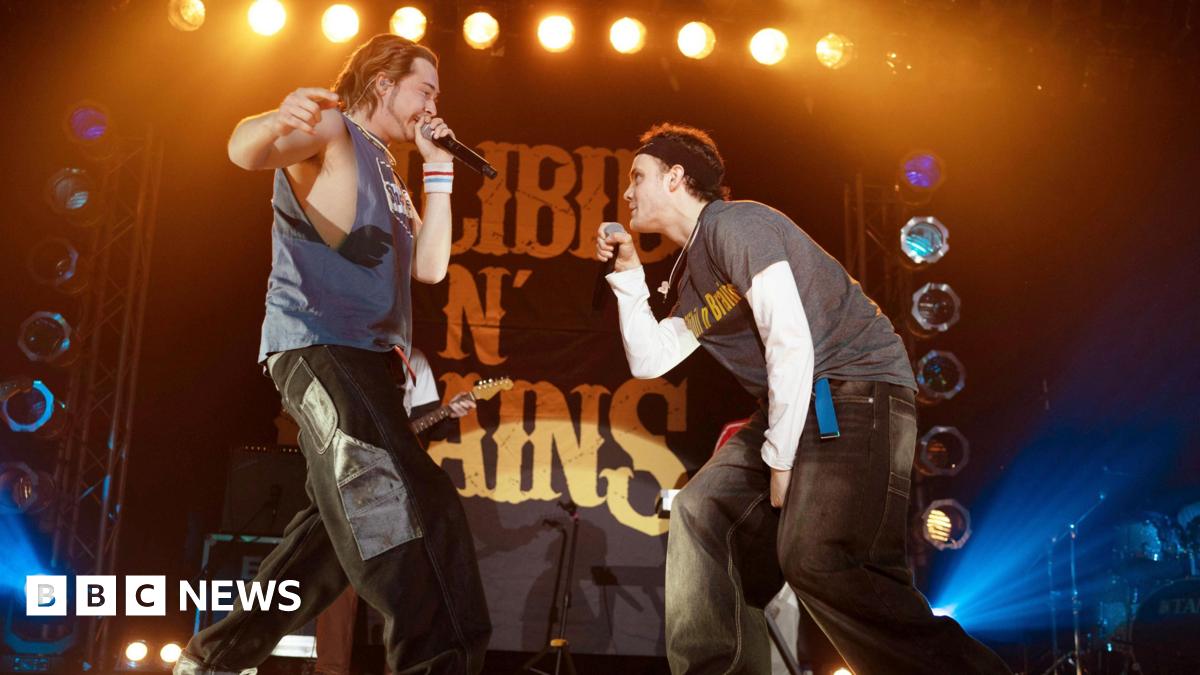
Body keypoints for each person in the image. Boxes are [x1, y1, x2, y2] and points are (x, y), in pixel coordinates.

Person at [595, 123, 1010, 675]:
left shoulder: (737, 223)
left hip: (852, 389)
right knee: (702, 511)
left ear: (675, 178)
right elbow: (650, 359)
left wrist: (780, 460)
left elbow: (791, 340)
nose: (627, 193)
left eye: (637, 177)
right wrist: (628, 277)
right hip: (797, 401)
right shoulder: (694, 272)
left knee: (820, 558)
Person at [174, 34, 490, 675]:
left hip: (369, 360)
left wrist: (438, 171)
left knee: (319, 548)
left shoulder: (392, 171)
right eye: (424, 89)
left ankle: (210, 661)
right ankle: (439, 663)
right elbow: (244, 150)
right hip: (321, 344)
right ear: (384, 83)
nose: (432, 104)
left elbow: (429, 268)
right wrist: (275, 116)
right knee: (410, 503)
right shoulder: (332, 126)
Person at [314, 349, 477, 675]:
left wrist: (450, 413)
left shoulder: (414, 360)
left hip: (392, 488)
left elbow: (429, 430)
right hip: (346, 480)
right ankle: (328, 669)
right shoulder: (345, 347)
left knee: (403, 589)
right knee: (338, 583)